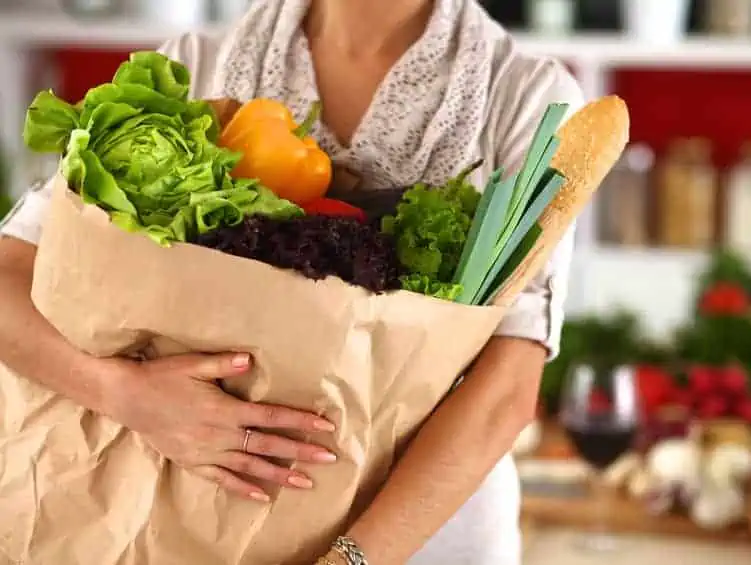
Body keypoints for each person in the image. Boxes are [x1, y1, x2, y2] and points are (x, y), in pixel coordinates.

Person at [0, 0, 583, 563]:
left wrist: (350, 561)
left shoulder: (525, 97)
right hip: (183, 529)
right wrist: (123, 394)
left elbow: (504, 392)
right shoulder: (194, 65)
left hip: (418, 544)